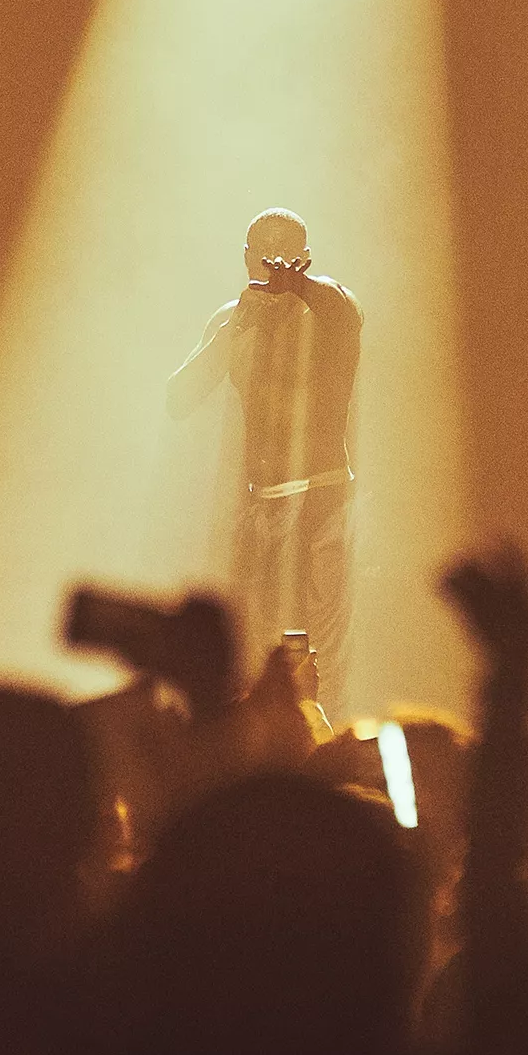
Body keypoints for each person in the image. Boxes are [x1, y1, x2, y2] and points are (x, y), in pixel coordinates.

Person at [165, 208, 363, 699]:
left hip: (323, 502)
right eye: (264, 255)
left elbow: (340, 305)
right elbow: (178, 399)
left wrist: (299, 286)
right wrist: (234, 328)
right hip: (262, 508)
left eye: (286, 255)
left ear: (306, 258)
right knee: (256, 650)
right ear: (246, 257)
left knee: (321, 656)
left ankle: (325, 741)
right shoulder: (232, 319)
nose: (274, 266)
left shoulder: (330, 309)